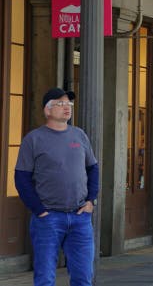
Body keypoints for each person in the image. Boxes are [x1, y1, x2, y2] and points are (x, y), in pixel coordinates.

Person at [14, 88, 99, 286]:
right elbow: (21, 178)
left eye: (69, 104)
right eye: (60, 103)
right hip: (48, 219)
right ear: (47, 110)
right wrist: (39, 210)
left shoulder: (80, 135)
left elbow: (93, 168)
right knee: (45, 277)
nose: (67, 107)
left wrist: (90, 201)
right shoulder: (33, 139)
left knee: (84, 277)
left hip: (80, 218)